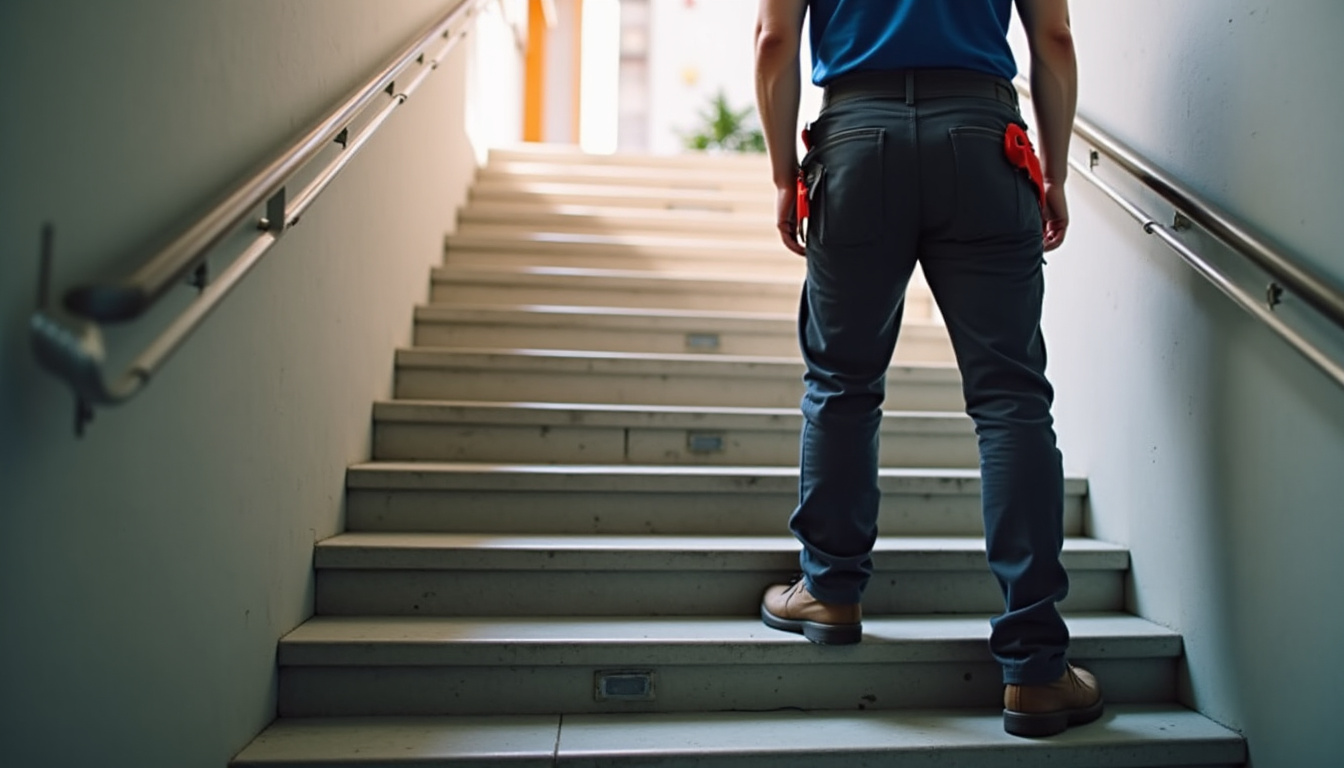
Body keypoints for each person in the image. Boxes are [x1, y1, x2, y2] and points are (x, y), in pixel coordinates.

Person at [753, 0, 1099, 738]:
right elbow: (1056, 39)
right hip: (982, 141)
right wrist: (1058, 174)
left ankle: (831, 591)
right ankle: (1036, 667)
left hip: (856, 138)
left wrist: (785, 175)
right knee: (1011, 403)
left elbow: (775, 38)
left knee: (843, 384)